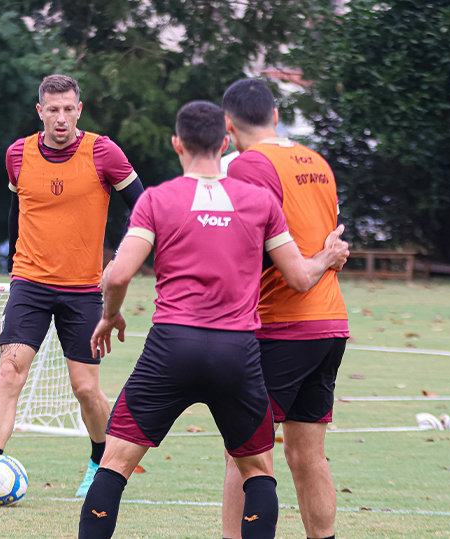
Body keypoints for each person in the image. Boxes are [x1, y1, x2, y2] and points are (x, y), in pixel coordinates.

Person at [78, 101, 349, 539]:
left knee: (114, 463)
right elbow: (299, 277)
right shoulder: (258, 202)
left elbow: (119, 274)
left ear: (176, 144)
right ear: (225, 143)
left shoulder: (157, 199)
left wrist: (109, 316)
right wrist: (328, 257)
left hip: (171, 348)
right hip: (237, 352)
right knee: (259, 471)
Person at [0, 74, 145, 501]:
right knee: (9, 373)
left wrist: (119, 262)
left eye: (68, 109)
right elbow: (16, 211)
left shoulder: (103, 152)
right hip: (29, 282)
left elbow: (145, 208)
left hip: (84, 290)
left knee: (85, 387)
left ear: (79, 110)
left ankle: (99, 462)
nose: (61, 118)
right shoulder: (18, 154)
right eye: (53, 110)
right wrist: (12, 267)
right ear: (40, 111)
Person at [220, 79, 349, 539]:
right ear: (275, 116)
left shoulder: (247, 168)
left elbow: (250, 251)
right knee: (307, 454)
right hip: (330, 322)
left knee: (248, 454)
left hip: (281, 325)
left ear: (229, 126)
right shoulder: (317, 161)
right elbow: (328, 241)